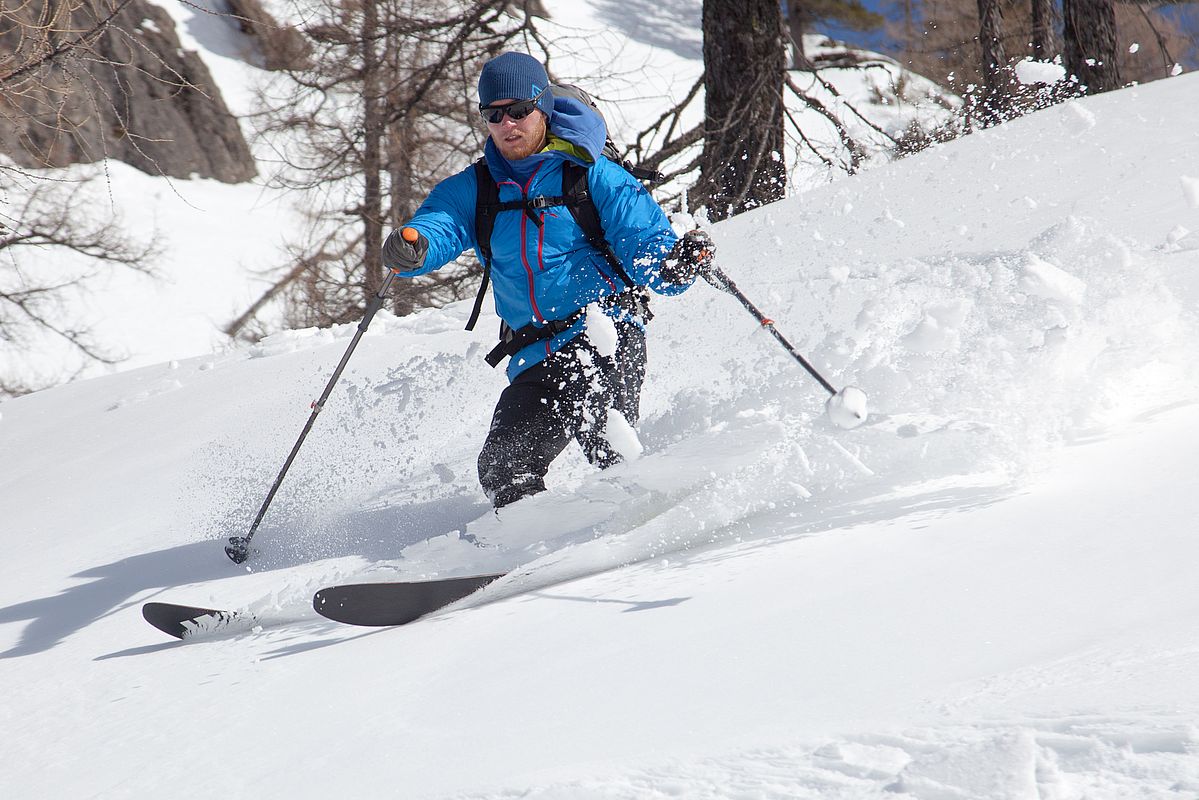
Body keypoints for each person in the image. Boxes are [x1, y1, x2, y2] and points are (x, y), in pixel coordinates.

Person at [382, 52, 714, 509]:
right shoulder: (475, 188)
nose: (507, 124)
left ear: (543, 107)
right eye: (493, 114)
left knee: (607, 439)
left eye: (518, 110)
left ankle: (651, 526)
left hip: (604, 335)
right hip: (534, 354)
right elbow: (440, 225)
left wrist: (673, 264)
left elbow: (646, 248)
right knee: (502, 468)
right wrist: (412, 247)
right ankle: (532, 551)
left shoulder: (593, 175)